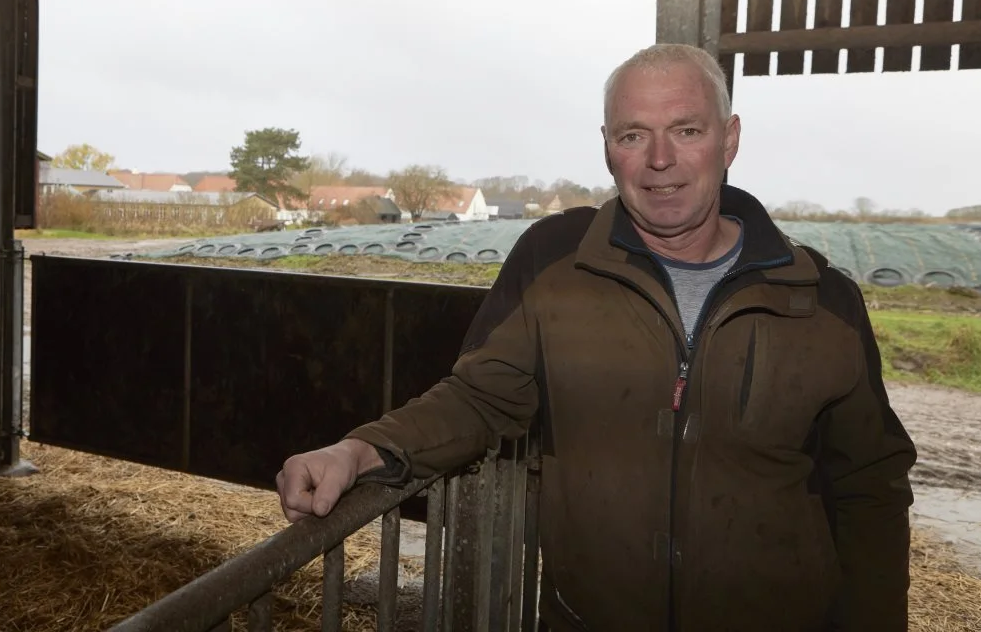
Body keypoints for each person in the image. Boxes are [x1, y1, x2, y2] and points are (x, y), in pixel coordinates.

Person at [275, 43, 917, 631]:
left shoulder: (819, 299)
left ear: (729, 139)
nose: (660, 160)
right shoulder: (555, 262)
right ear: (608, 147)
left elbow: (871, 486)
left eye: (686, 131)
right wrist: (359, 452)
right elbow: (478, 399)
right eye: (634, 134)